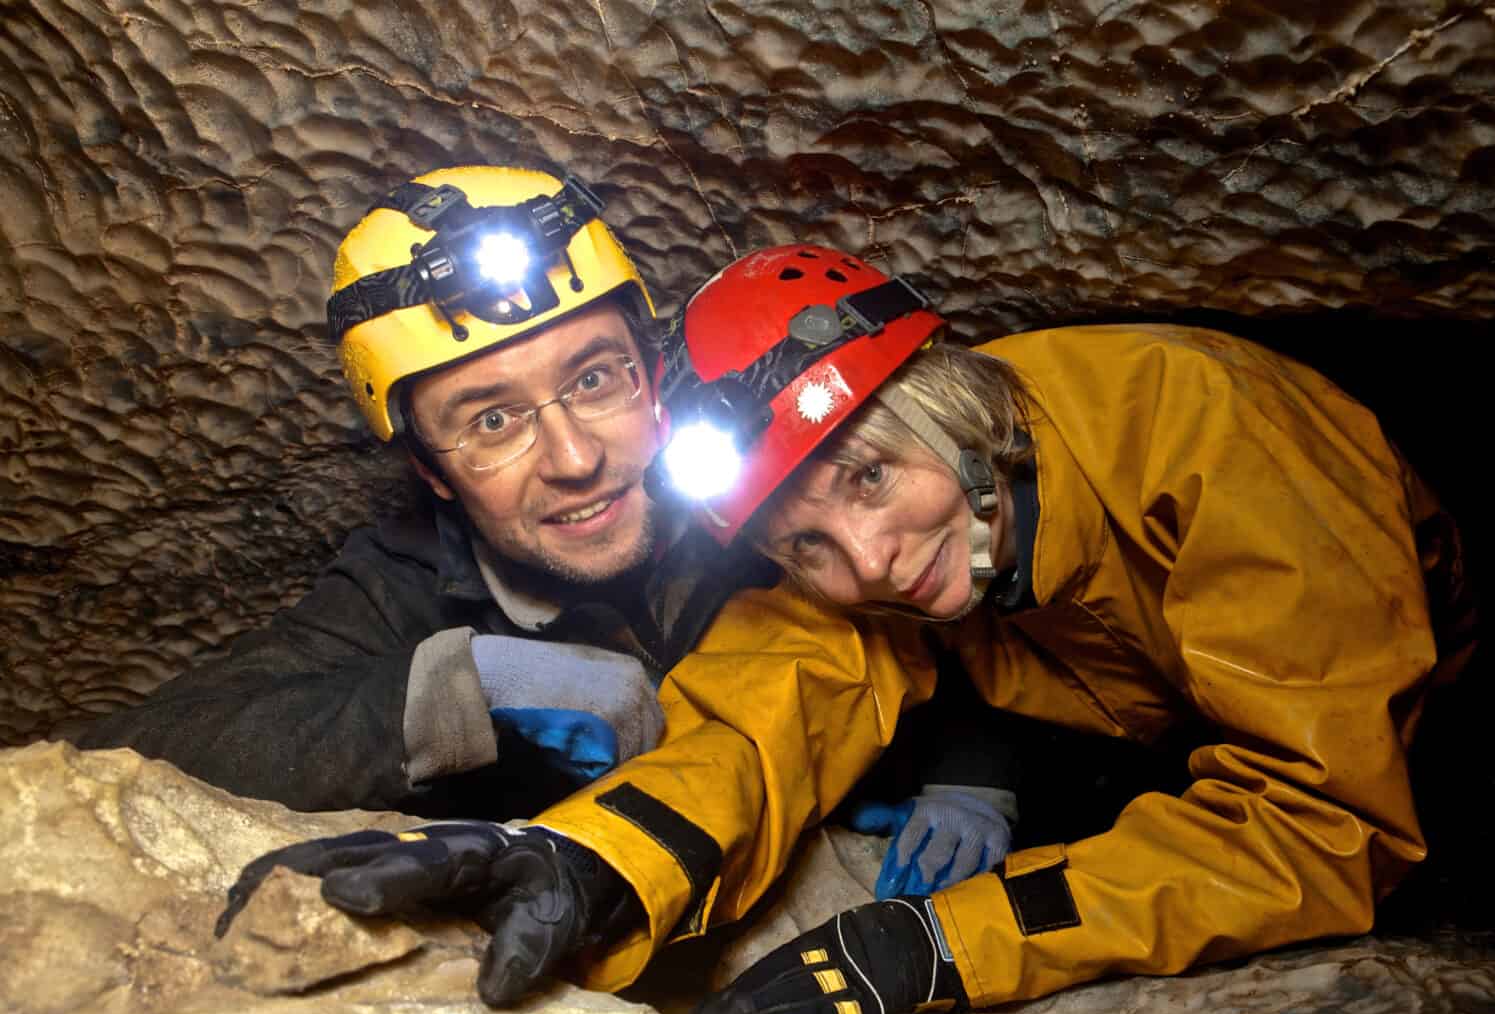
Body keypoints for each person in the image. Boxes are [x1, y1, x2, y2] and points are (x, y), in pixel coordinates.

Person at [213, 241, 1472, 1014]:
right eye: (799, 542)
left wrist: (950, 942)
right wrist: (583, 862)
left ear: (942, 397)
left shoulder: (1207, 428)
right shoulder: (902, 536)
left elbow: (1329, 819)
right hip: (1166, 728)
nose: (864, 567)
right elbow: (769, 703)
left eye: (866, 479)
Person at [78, 171, 1019, 900]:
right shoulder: (404, 584)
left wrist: (976, 770)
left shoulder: (749, 495)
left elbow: (981, 586)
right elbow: (132, 752)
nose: (575, 457)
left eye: (596, 380)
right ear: (431, 472)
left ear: (655, 376)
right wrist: (465, 690)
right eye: (491, 421)